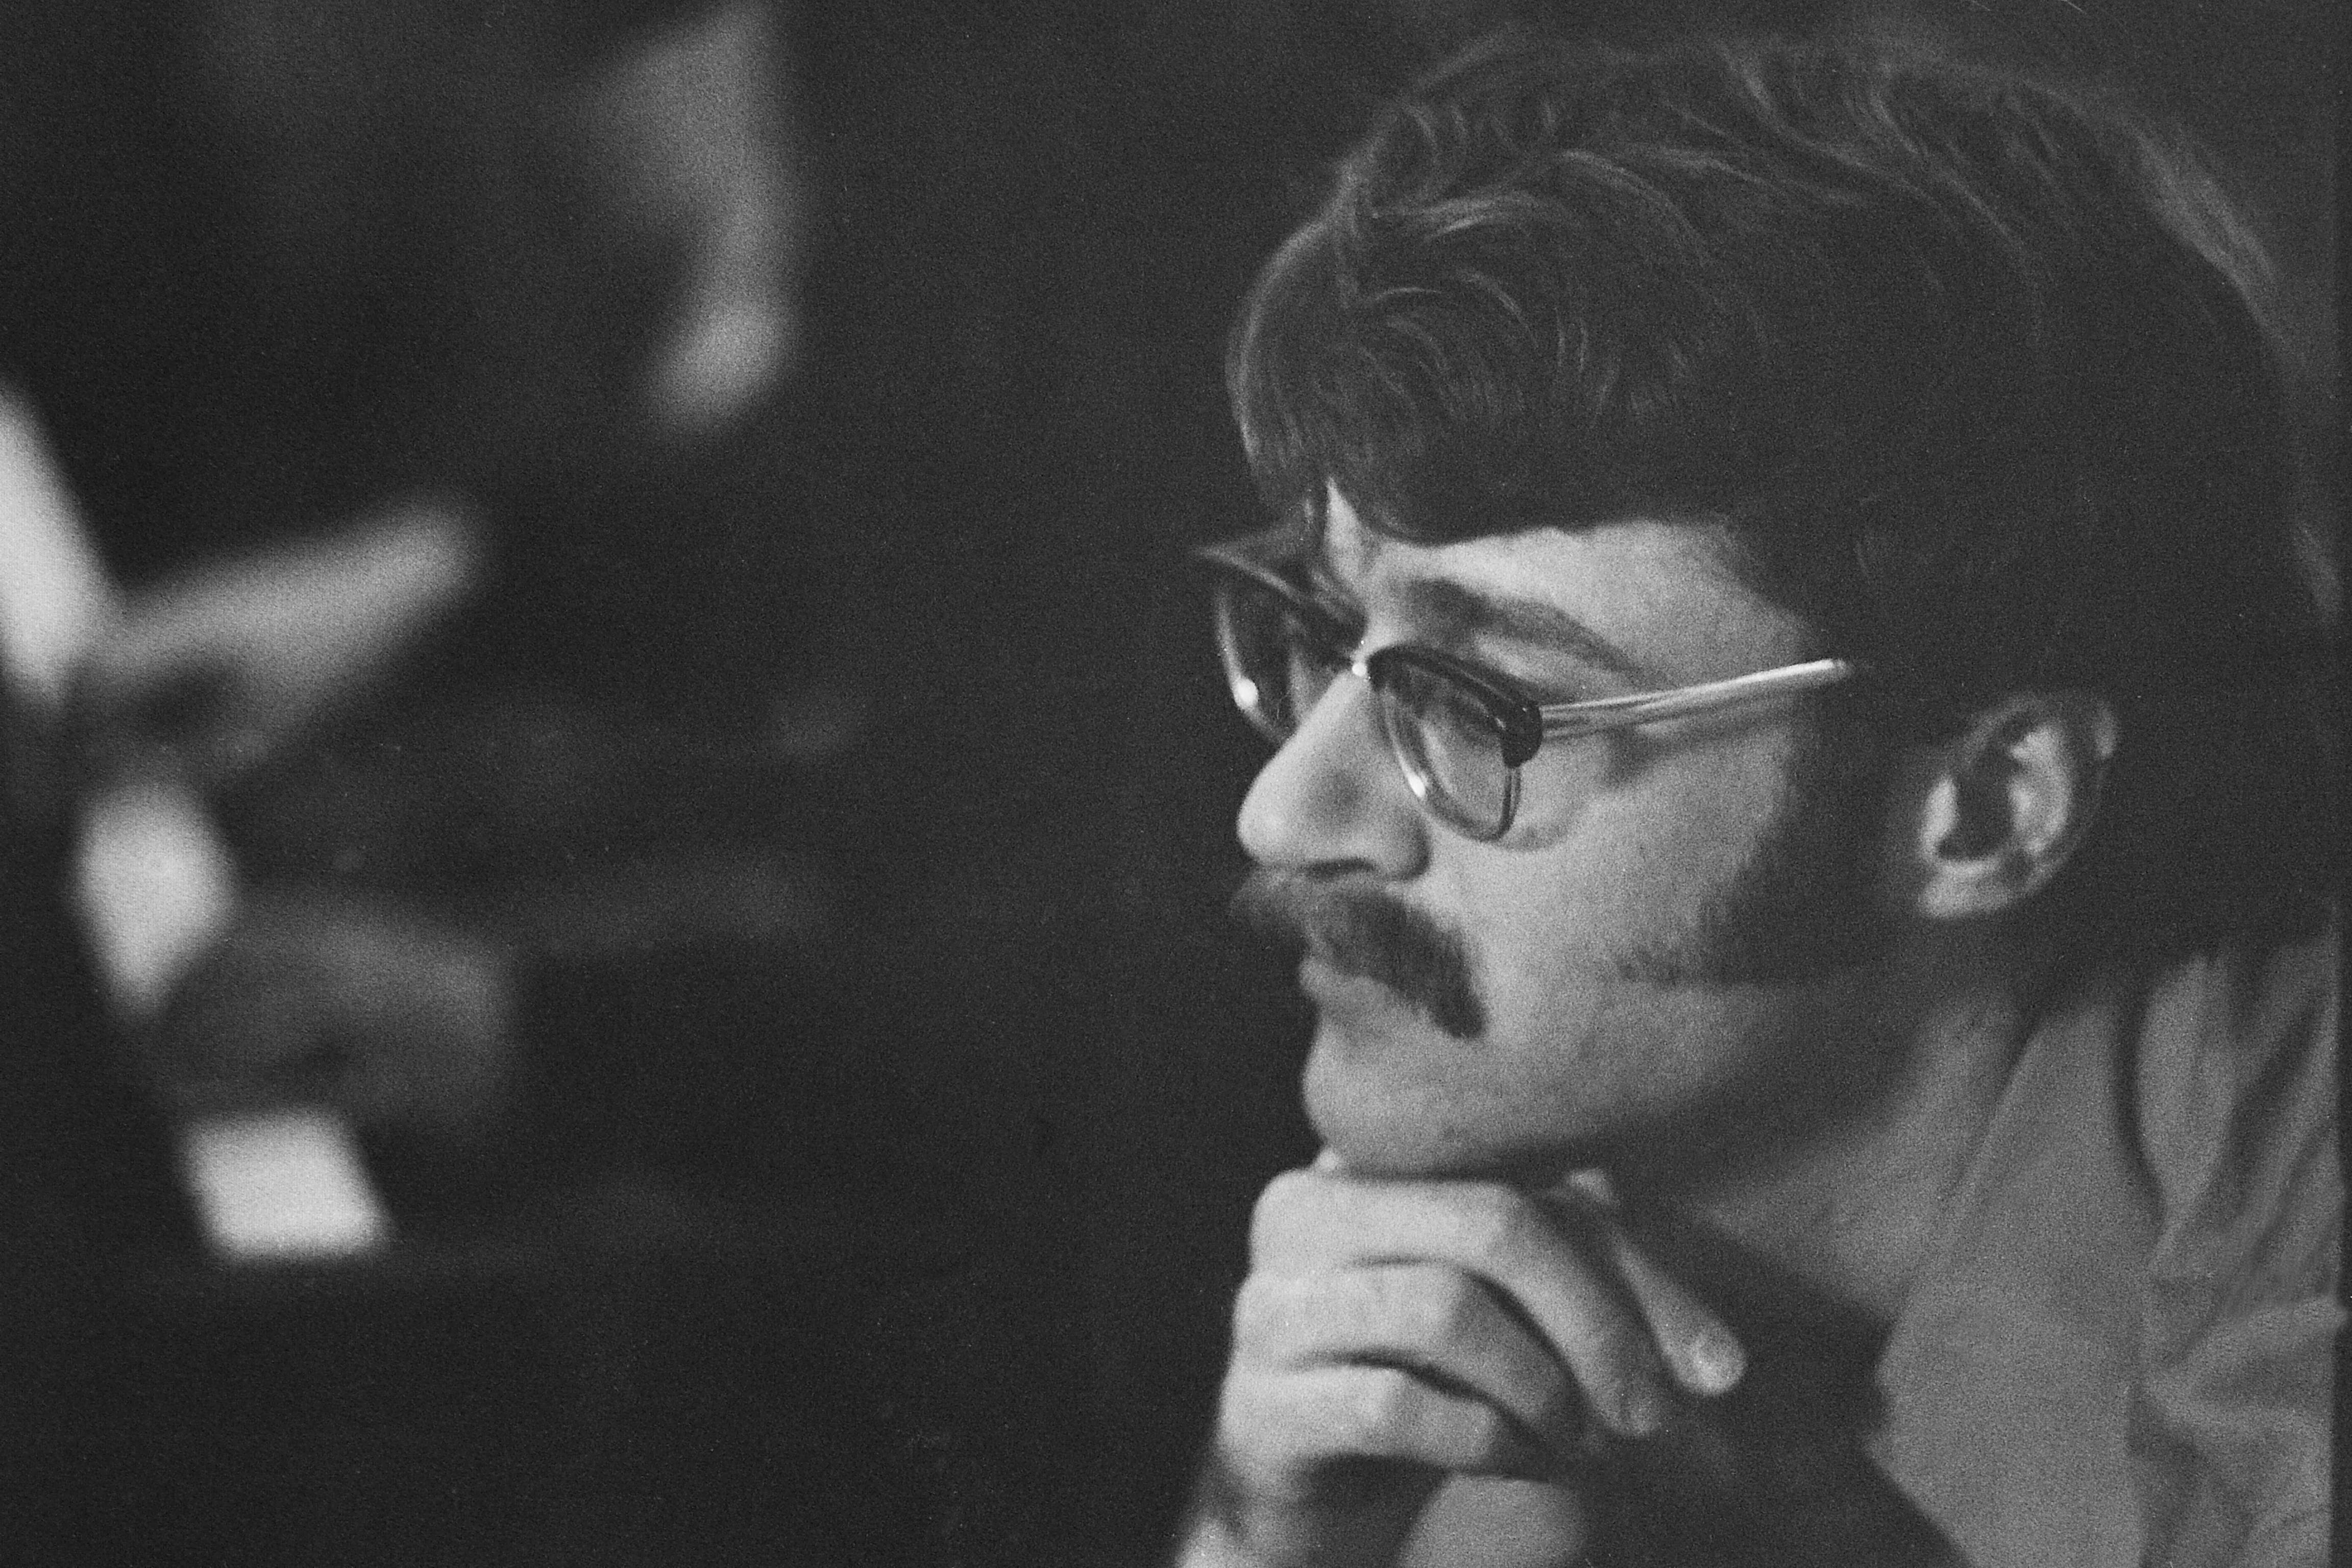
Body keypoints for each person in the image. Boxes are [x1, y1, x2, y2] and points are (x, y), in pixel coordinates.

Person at [1173, 26, 2338, 1568]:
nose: (1285, 814)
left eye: (1482, 705)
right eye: (1331, 637)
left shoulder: (2293, 1343)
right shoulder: (1518, 1271)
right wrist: (1260, 1542)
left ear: (1989, 808)